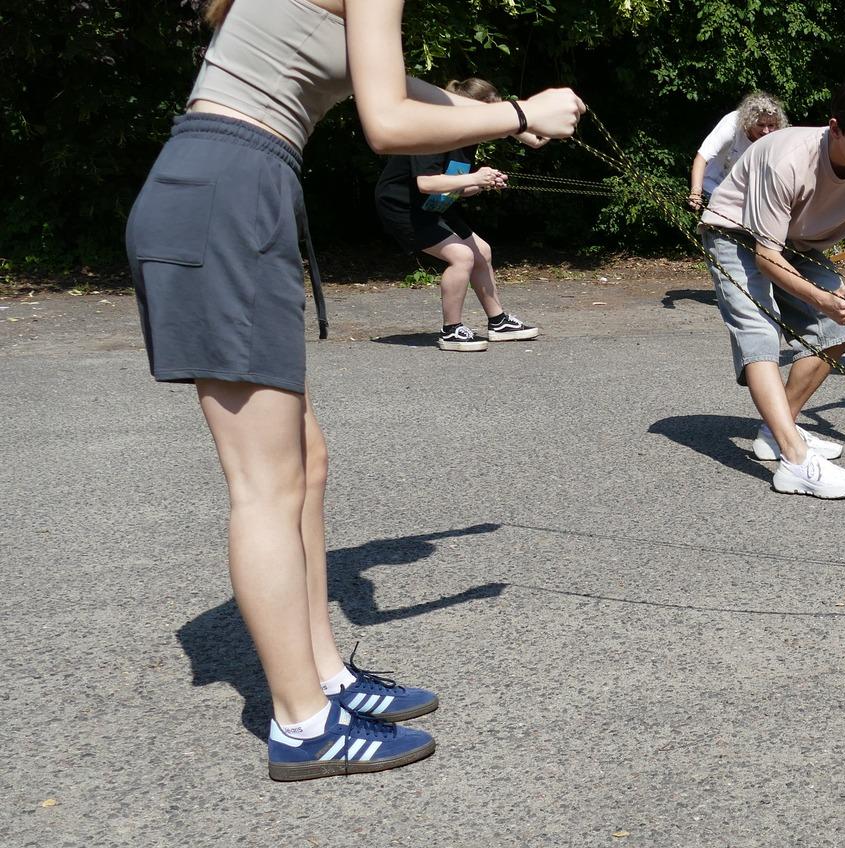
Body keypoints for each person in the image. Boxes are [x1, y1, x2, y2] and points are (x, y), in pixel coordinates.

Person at [125, 0, 582, 781]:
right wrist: (517, 113)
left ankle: (325, 678)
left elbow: (404, 88)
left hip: (230, 186)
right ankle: (303, 723)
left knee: (306, 461)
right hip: (229, 193)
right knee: (265, 485)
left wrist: (504, 118)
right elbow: (388, 123)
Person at [698, 78, 845, 500]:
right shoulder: (789, 160)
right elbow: (766, 257)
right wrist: (823, 298)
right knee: (759, 332)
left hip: (796, 242)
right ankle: (795, 461)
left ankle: (777, 430)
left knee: (841, 327)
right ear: (835, 128)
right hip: (735, 231)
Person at [373, 77, 540, 352]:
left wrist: (482, 183)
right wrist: (475, 177)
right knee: (462, 256)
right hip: (402, 206)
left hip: (433, 203)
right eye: (493, 112)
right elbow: (426, 183)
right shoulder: (434, 132)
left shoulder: (469, 138)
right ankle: (451, 331)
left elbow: (456, 186)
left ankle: (498, 322)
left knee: (482, 251)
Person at [686, 91, 787, 214]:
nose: (766, 131)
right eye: (760, 125)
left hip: (740, 194)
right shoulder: (731, 125)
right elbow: (701, 157)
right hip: (713, 185)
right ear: (749, 122)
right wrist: (696, 193)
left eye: (771, 125)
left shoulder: (775, 138)